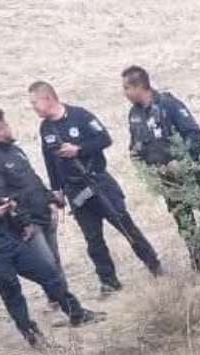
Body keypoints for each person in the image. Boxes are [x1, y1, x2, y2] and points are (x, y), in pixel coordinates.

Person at [0, 150, 101, 346]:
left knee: (48, 273)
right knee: (12, 294)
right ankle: (32, 336)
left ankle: (76, 312)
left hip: (10, 239)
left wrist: (17, 217)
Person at [29, 80, 164, 295]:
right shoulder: (46, 128)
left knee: (125, 226)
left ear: (48, 98)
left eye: (35, 102)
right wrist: (57, 190)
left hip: (98, 183)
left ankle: (154, 266)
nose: (33, 107)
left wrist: (79, 149)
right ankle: (108, 281)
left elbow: (104, 139)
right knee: (93, 240)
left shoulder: (80, 116)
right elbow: (49, 160)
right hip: (76, 192)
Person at [121, 65, 200, 274]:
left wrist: (181, 160)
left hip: (193, 176)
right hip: (169, 183)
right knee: (186, 226)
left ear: (140, 86)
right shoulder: (135, 114)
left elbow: (194, 134)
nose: (124, 93)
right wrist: (140, 163)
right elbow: (137, 145)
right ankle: (198, 266)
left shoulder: (168, 105)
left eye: (127, 88)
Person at [0, 108, 65, 272]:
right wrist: (24, 222)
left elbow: (32, 178)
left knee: (55, 262)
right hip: (29, 221)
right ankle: (57, 297)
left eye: (6, 124)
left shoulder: (14, 149)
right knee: (47, 267)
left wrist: (50, 199)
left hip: (43, 211)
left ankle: (64, 297)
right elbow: (0, 196)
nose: (8, 128)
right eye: (3, 126)